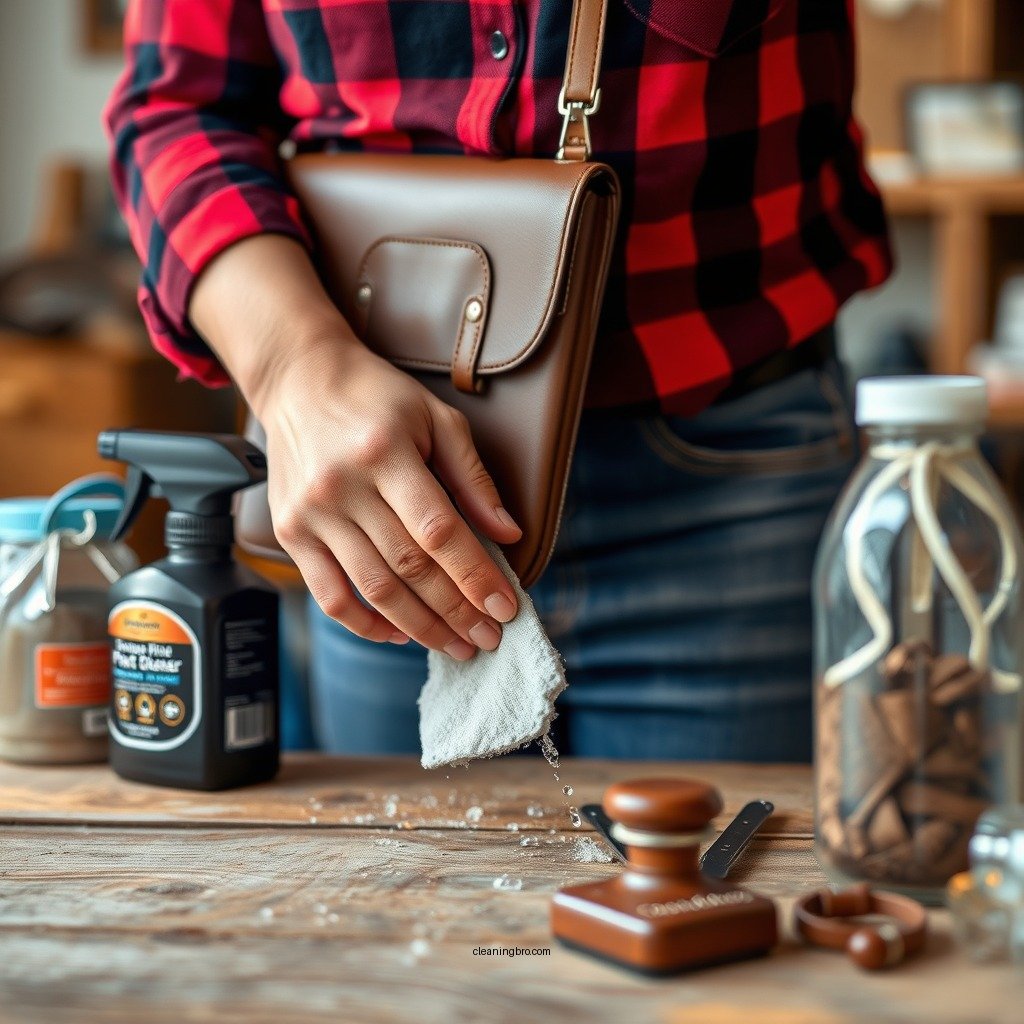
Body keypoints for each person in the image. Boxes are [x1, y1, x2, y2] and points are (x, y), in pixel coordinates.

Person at [105, 0, 891, 761]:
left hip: (736, 479)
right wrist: (290, 366)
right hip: (384, 486)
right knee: (407, 893)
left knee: (728, 884)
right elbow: (177, 110)